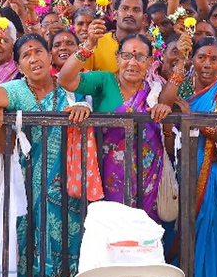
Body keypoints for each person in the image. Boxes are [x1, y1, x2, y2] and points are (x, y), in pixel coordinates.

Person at [0, 29, 90, 277]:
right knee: (27, 249)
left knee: (68, 250)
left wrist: (84, 108)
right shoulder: (16, 90)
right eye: (26, 55)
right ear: (18, 65)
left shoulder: (70, 88)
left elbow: (89, 111)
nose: (34, 58)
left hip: (67, 190)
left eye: (39, 51)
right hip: (27, 187)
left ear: (50, 56)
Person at [151, 36, 217, 277]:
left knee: (209, 244)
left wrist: (194, 122)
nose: (207, 64)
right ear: (193, 59)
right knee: (177, 240)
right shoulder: (182, 91)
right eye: (201, 57)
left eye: (214, 59)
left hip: (212, 179)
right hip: (180, 177)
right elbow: (164, 108)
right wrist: (178, 66)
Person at [59, 27, 163, 220]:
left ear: (149, 62)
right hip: (106, 178)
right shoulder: (104, 81)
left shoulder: (155, 91)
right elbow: (65, 79)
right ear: (117, 58)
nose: (132, 63)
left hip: (147, 181)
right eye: (126, 56)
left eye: (140, 57)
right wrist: (88, 45)